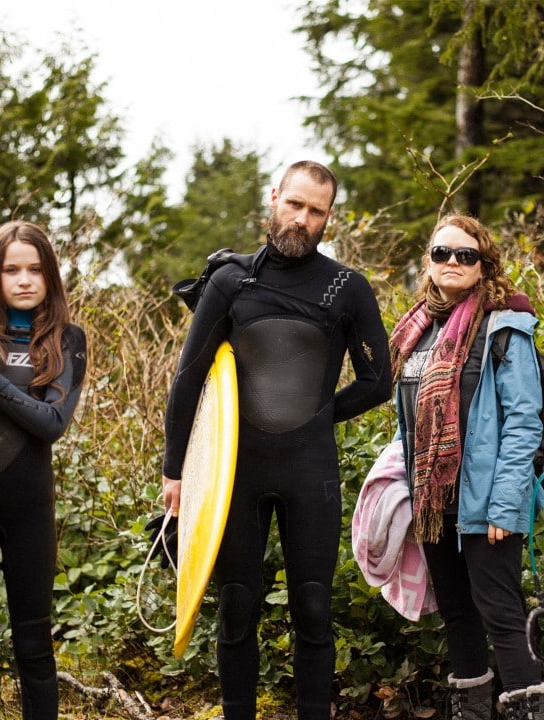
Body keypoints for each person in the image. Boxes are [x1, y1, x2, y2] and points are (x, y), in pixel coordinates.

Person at [159, 160, 392, 720]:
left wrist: (320, 415)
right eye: (295, 204)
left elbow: (378, 381)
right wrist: (175, 473)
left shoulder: (346, 287)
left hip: (309, 471)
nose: (302, 219)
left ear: (328, 218)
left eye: (316, 211)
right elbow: (189, 379)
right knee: (237, 607)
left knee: (312, 608)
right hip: (235, 474)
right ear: (274, 198)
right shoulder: (230, 281)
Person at [388, 214, 544, 720]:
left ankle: (528, 711)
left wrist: (506, 506)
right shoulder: (416, 331)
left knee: (501, 614)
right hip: (435, 502)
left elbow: (525, 422)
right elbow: (407, 423)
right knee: (457, 614)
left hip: (488, 503)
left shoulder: (505, 327)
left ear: (484, 265)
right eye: (442, 254)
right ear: (428, 262)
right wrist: (403, 496)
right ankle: (471, 712)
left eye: (465, 255)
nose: (452, 262)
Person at [0, 221, 88, 719]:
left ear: (50, 275)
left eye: (35, 269)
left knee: (33, 646)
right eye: (11, 270)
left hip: (29, 509)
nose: (24, 279)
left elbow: (51, 423)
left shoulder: (67, 340)